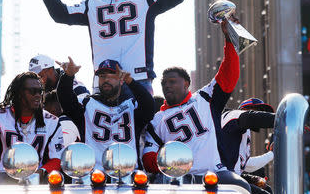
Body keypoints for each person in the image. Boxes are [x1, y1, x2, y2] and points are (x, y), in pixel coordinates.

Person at [39, 0, 186, 94]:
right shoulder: (93, 4)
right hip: (105, 81)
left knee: (141, 118)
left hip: (138, 77)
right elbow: (61, 15)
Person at [142, 19, 250, 191]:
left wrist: (229, 40)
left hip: (214, 173)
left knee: (241, 186)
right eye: (163, 83)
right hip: (177, 179)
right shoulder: (157, 120)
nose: (166, 86)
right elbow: (148, 157)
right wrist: (169, 164)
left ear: (186, 84)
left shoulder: (205, 98)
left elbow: (229, 74)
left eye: (172, 81)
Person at [56, 57, 155, 170]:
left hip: (128, 174)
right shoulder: (87, 104)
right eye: (102, 76)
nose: (106, 79)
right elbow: (66, 100)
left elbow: (149, 107)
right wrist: (68, 76)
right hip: (94, 175)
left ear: (121, 80)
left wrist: (131, 82)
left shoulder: (132, 106)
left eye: (111, 75)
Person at [0, 72, 64, 181]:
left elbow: (57, 158)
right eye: (32, 91)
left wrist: (39, 172)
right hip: (2, 181)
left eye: (40, 91)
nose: (37, 95)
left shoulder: (52, 121)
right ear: (19, 93)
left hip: (35, 181)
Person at [220, 98, 276, 193]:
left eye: (262, 112)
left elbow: (246, 165)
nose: (260, 113)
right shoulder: (233, 114)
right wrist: (283, 120)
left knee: (266, 188)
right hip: (219, 175)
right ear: (244, 109)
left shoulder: (245, 132)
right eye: (257, 110)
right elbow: (250, 117)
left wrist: (272, 154)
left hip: (229, 175)